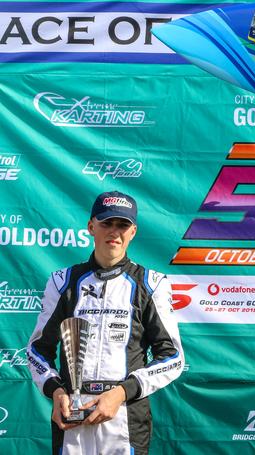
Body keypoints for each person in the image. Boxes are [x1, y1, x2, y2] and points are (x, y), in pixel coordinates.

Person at [26, 190, 184, 455]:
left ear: (132, 231)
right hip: (71, 413)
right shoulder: (62, 282)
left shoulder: (151, 284)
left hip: (124, 414)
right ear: (91, 227)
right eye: (106, 223)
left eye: (122, 225)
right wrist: (56, 392)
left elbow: (173, 357)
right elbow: (36, 351)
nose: (114, 232)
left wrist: (121, 393)